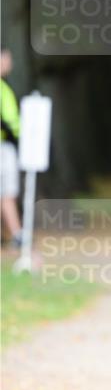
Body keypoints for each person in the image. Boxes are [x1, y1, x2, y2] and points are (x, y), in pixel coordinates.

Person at [0, 50, 22, 248]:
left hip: (7, 144)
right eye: (7, 58)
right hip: (4, 146)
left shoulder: (4, 86)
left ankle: (13, 234)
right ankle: (16, 235)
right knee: (7, 191)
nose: (9, 63)